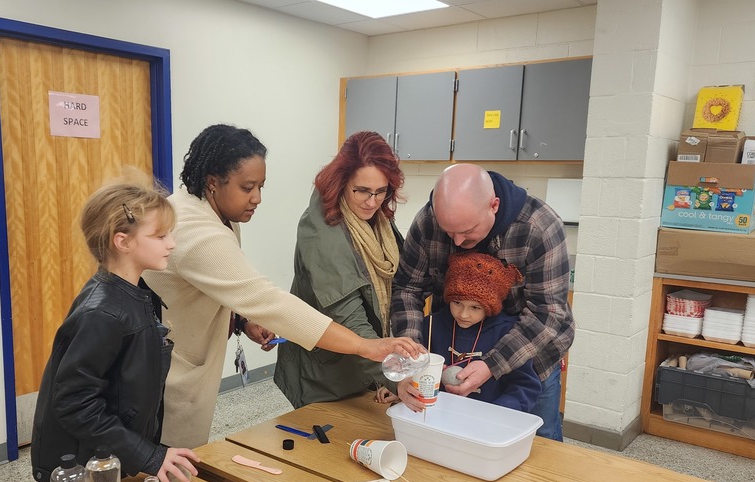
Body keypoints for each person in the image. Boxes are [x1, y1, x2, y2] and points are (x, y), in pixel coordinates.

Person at [143, 124, 424, 448]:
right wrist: (366, 347)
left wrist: (243, 319)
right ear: (212, 183)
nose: (258, 198)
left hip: (183, 355)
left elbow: (218, 283)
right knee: (161, 471)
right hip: (167, 370)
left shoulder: (215, 213)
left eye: (260, 186)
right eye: (248, 187)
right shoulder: (198, 232)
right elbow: (269, 300)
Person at [31, 170, 198, 482]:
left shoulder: (138, 293)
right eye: (161, 236)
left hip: (112, 456)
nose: (172, 244)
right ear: (122, 241)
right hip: (86, 466)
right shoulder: (103, 312)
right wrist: (148, 455)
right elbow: (74, 403)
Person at [391, 163, 575, 441]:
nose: (458, 240)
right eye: (448, 231)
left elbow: (547, 314)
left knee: (538, 440)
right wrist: (412, 361)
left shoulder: (539, 227)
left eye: (467, 230)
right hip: (456, 349)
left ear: (494, 205)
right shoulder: (428, 221)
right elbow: (407, 290)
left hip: (531, 357)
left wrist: (492, 364)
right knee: (451, 437)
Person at [274, 131, 405, 408]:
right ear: (342, 181)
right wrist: (398, 379)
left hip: (366, 366)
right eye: (362, 191)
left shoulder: (375, 220)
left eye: (380, 191)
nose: (372, 202)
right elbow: (349, 318)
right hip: (325, 373)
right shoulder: (321, 231)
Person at [397, 251, 541, 413]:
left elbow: (524, 386)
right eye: (457, 303)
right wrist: (403, 384)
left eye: (475, 307)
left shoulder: (508, 333)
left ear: (490, 307)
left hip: (487, 425)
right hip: (439, 417)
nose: (463, 314)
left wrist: (498, 413)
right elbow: (414, 371)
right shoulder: (431, 325)